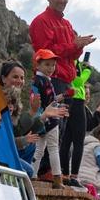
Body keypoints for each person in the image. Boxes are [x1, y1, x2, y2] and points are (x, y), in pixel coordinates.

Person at [29, 0, 96, 188]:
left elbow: (70, 55)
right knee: (51, 125)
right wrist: (72, 45)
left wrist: (78, 47)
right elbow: (45, 53)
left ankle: (53, 169)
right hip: (51, 79)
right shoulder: (41, 21)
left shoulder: (66, 25)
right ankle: (42, 170)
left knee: (63, 127)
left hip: (66, 81)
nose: (62, 0)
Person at [29, 49, 66, 188]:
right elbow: (36, 100)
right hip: (49, 119)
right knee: (53, 149)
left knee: (39, 149)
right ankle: (57, 179)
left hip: (43, 119)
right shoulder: (40, 81)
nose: (51, 68)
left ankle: (32, 176)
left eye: (53, 65)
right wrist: (42, 115)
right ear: (38, 65)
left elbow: (47, 100)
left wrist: (58, 100)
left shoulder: (41, 80)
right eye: (47, 64)